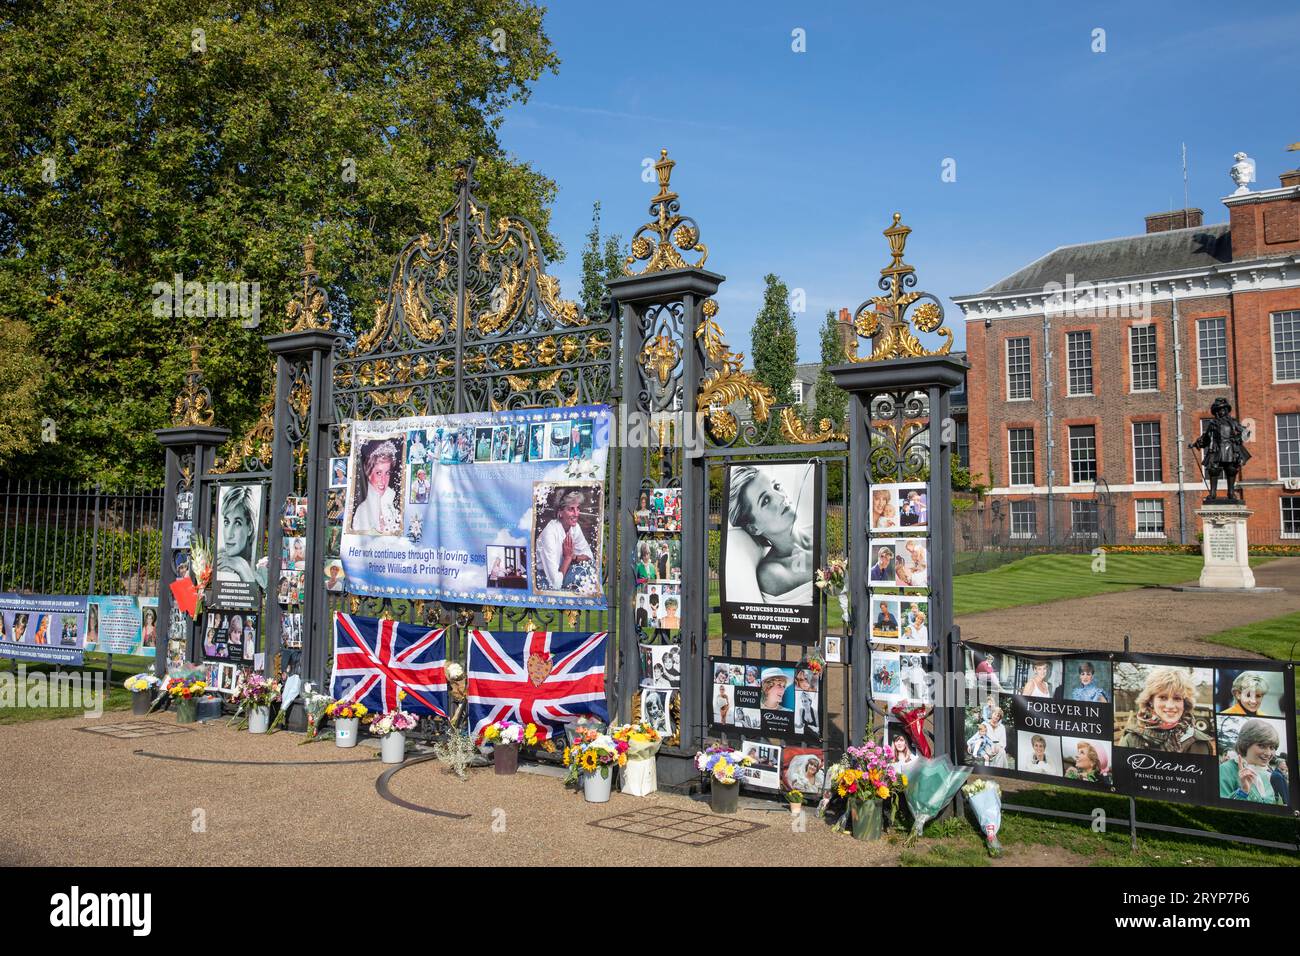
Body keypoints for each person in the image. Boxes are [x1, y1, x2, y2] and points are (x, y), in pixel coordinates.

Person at [728, 466, 815, 604]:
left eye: (777, 486)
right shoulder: (772, 574)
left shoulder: (819, 533)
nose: (781, 497)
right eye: (766, 500)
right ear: (754, 528)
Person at [1117, 666, 1214, 754]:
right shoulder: (1131, 740)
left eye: (1177, 698)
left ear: (1184, 703)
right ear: (1151, 701)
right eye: (1163, 697)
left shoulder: (1200, 743)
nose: (1170, 705)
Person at [1190, 397, 1251, 503]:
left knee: (1231, 470)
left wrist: (1238, 438)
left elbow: (1246, 432)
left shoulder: (1233, 422)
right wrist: (1196, 444)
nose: (1221, 411)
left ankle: (1231, 493)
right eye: (1219, 409)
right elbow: (1206, 437)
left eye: (1223, 409)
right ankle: (1213, 493)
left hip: (1230, 449)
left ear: (1226, 410)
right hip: (1216, 449)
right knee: (1213, 470)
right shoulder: (1213, 424)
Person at [535, 490, 598, 593]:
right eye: (571, 509)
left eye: (578, 509)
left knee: (590, 568)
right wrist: (568, 557)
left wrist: (574, 557)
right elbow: (555, 584)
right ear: (560, 512)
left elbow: (589, 556)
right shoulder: (549, 533)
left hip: (562, 572)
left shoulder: (574, 527)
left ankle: (575, 607)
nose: (576, 514)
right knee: (584, 574)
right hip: (544, 579)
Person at [1219, 719, 1284, 804]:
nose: (1268, 753)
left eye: (1272, 748)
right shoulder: (1226, 769)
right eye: (1262, 746)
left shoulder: (1266, 774)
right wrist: (1243, 792)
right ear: (1246, 744)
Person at [352, 441, 402, 535]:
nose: (383, 480)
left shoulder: (393, 504)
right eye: (378, 473)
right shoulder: (362, 511)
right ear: (369, 473)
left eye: (387, 473)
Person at [217, 485, 257, 583]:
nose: (229, 534)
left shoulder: (263, 564)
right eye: (227, 522)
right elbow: (183, 595)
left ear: (250, 528)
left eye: (237, 523)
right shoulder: (217, 559)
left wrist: (242, 568)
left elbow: (261, 598)